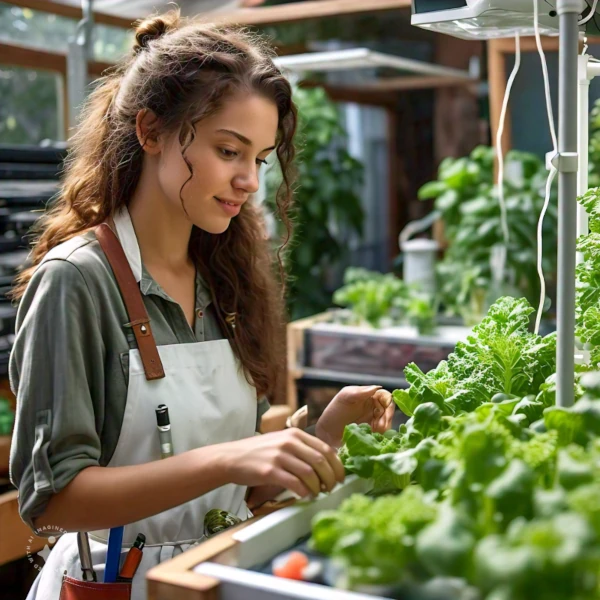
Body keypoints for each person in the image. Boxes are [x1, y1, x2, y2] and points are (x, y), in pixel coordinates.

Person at [8, 10, 395, 600]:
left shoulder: (228, 282)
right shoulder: (77, 282)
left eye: (259, 159)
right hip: (117, 585)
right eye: (228, 150)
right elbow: (52, 503)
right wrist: (230, 459)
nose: (249, 181)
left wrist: (326, 433)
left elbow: (236, 495)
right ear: (151, 131)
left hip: (214, 575)